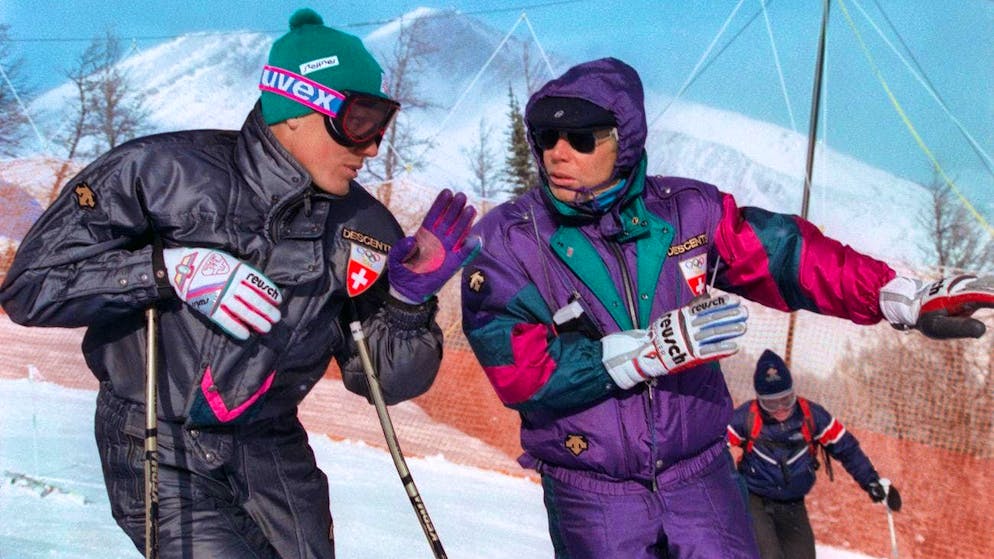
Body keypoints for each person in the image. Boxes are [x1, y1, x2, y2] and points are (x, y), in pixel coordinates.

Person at [459, 56, 994, 559]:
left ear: (624, 141)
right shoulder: (508, 243)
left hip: (702, 479)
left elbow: (788, 257)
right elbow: (520, 375)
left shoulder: (689, 213)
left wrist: (894, 293)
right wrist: (645, 353)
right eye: (546, 137)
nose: (558, 152)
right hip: (594, 494)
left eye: (579, 138)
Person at [0, 8, 478, 559]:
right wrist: (166, 270)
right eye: (359, 121)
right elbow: (31, 287)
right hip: (161, 439)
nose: (371, 147)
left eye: (382, 123)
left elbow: (384, 383)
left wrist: (405, 304)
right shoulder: (159, 174)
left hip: (274, 456)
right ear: (298, 107)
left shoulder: (363, 228)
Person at [728, 349, 901, 559]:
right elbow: (714, 447)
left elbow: (846, 448)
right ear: (760, 400)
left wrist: (871, 481)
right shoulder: (747, 417)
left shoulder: (812, 416)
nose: (781, 409)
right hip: (755, 500)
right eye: (772, 404)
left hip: (793, 503)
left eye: (786, 399)